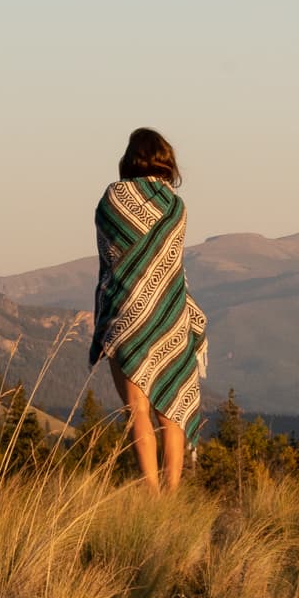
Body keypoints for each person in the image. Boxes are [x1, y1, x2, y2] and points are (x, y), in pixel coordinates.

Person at [90, 127, 209, 492]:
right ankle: (172, 493)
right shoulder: (175, 207)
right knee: (170, 408)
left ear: (130, 159)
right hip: (169, 318)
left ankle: (151, 494)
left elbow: (110, 260)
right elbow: (172, 266)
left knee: (136, 410)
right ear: (166, 160)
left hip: (124, 317)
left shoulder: (111, 200)